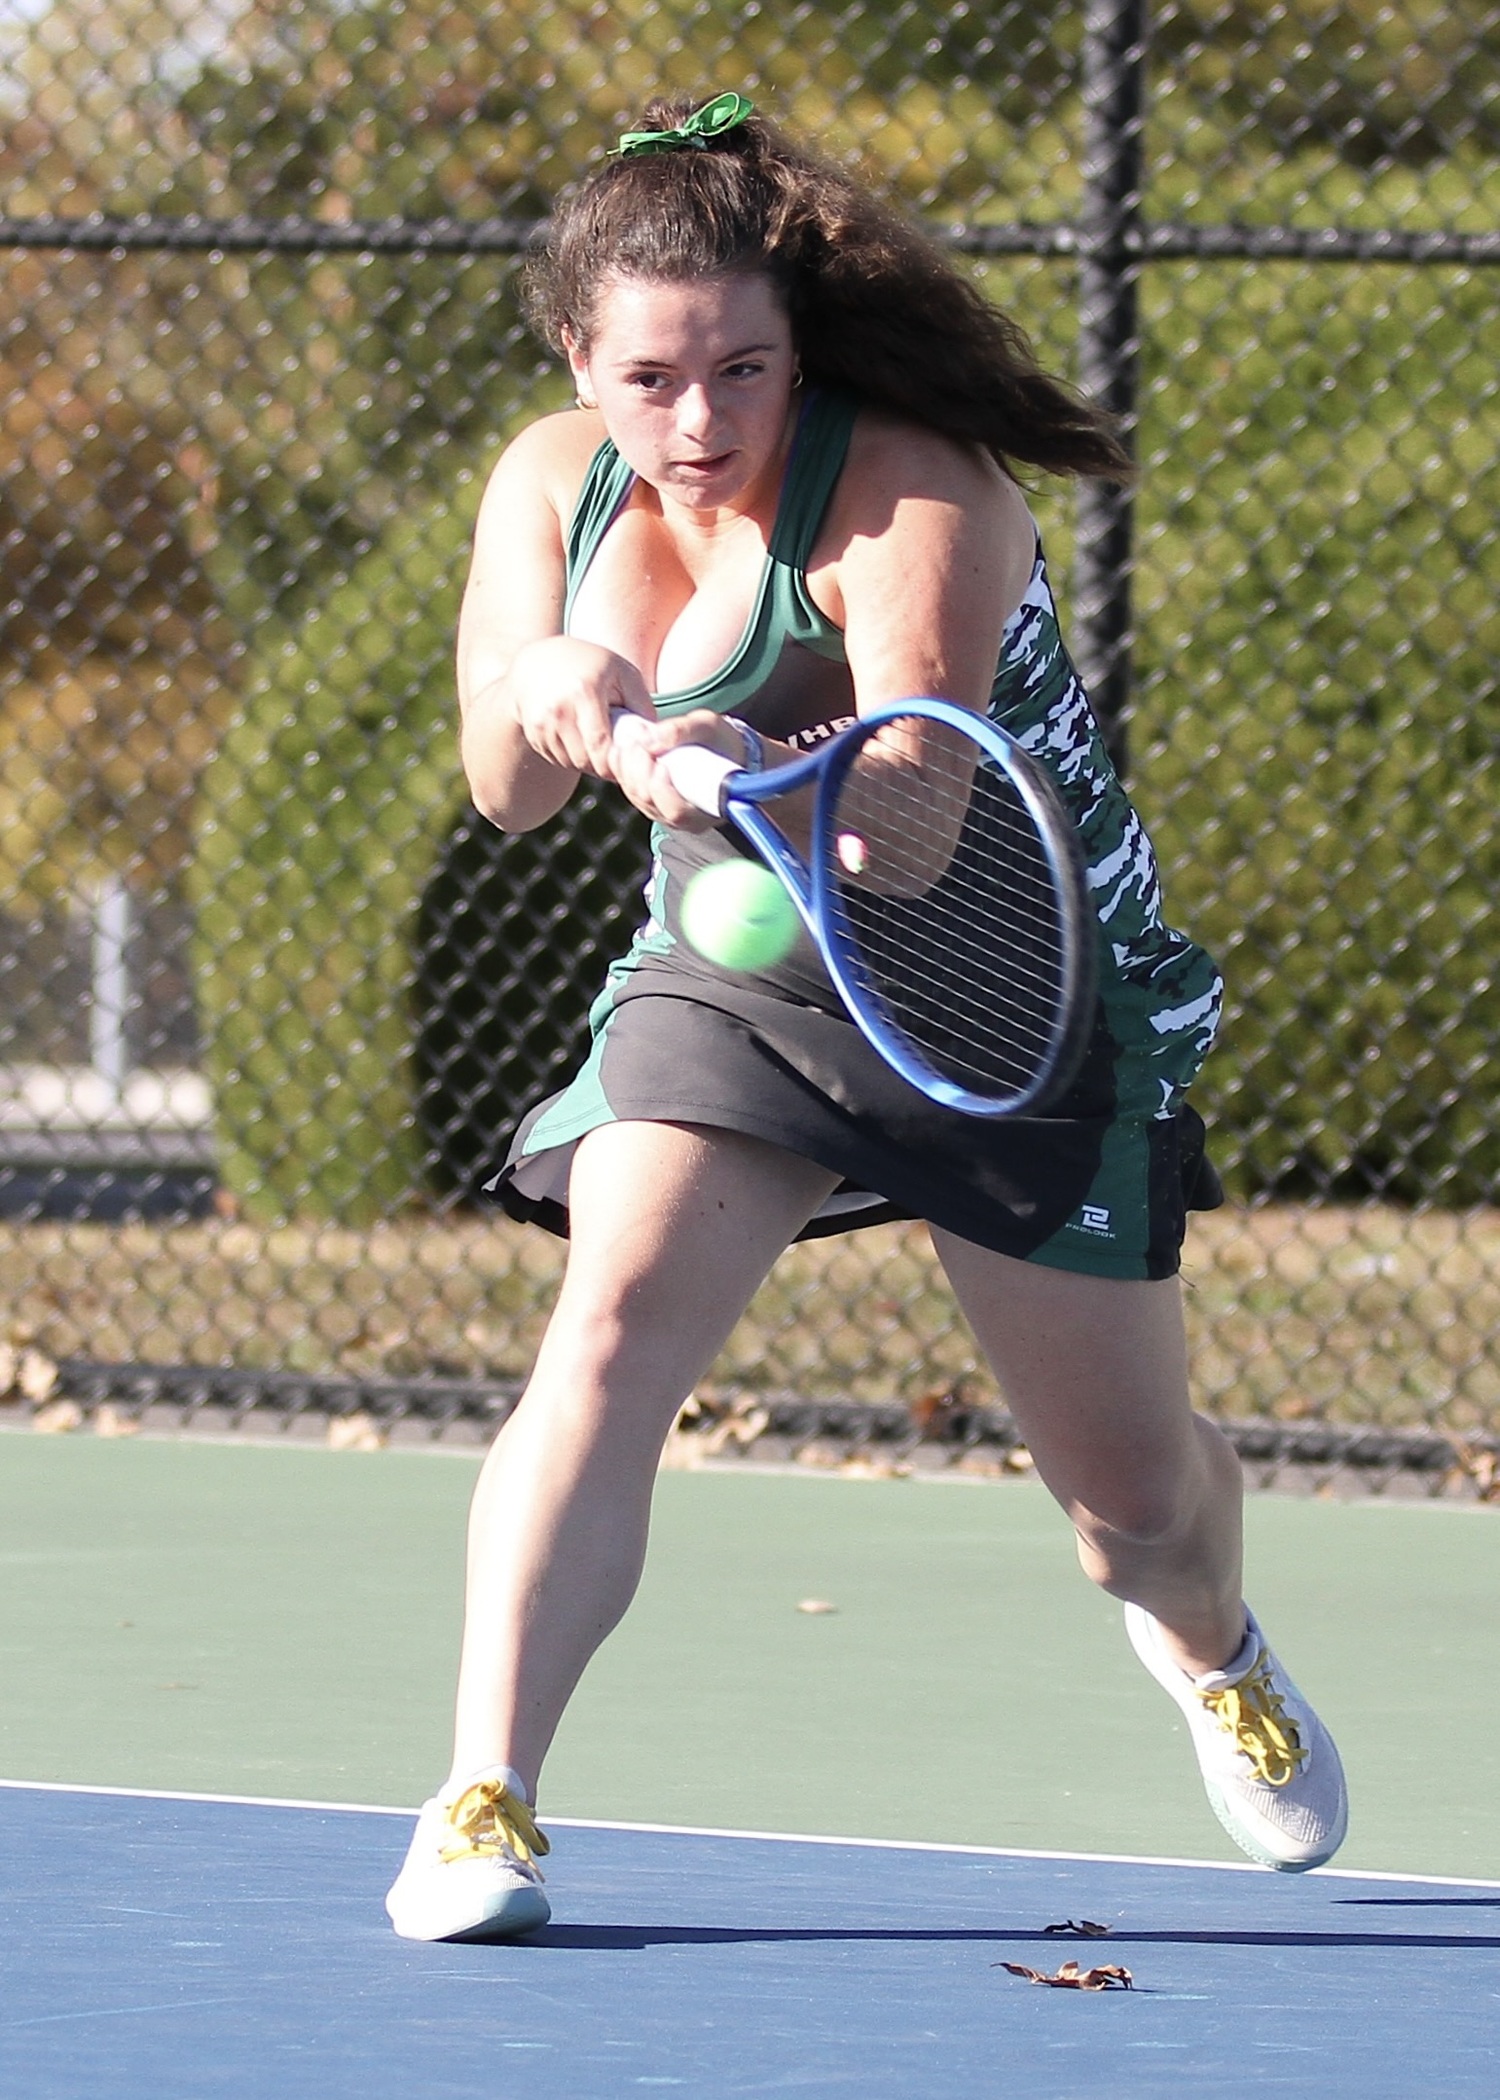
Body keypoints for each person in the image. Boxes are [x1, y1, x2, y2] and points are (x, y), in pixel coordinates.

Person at [384, 89, 1347, 1944]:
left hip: (1011, 990)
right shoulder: (544, 482)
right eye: (651, 376)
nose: (697, 420)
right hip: (737, 980)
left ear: (796, 353)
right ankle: (483, 1797)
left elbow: (910, 832)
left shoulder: (913, 485)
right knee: (607, 1335)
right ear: (578, 357)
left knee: (1133, 1507)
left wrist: (730, 764)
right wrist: (563, 684)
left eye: (742, 369)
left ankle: (1214, 1643)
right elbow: (504, 786)